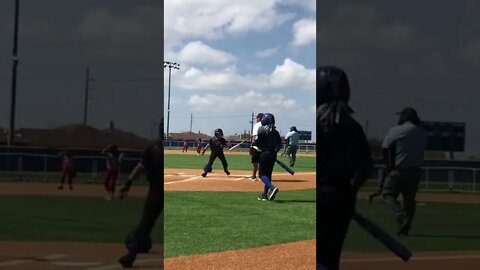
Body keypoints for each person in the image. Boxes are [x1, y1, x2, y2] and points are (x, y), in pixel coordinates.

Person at [317, 66, 372, 270]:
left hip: (319, 197)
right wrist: (350, 192)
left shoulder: (317, 123)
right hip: (341, 199)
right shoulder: (354, 126)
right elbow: (365, 167)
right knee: (331, 257)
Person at [117, 138, 163, 268]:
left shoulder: (153, 148)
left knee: (145, 224)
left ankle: (131, 256)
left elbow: (141, 168)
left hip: (156, 192)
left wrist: (128, 183)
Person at [381, 107, 426, 236]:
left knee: (388, 194)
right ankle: (407, 225)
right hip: (415, 171)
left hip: (399, 170)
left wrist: (388, 167)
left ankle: (401, 217)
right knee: (409, 199)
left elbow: (385, 147)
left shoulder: (397, 130)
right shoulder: (422, 132)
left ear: (404, 117)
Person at [253, 113, 282, 201]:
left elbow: (258, 144)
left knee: (261, 174)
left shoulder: (262, 130)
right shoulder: (275, 132)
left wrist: (254, 145)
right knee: (268, 174)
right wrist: (274, 152)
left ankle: (272, 188)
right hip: (273, 154)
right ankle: (264, 195)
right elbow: (279, 145)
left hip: (264, 154)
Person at [249, 113, 264, 181]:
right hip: (264, 147)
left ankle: (254, 176)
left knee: (255, 163)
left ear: (259, 118)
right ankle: (262, 176)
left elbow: (255, 136)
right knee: (262, 162)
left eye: (257, 118)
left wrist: (252, 143)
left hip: (256, 146)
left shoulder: (257, 125)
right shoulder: (266, 125)